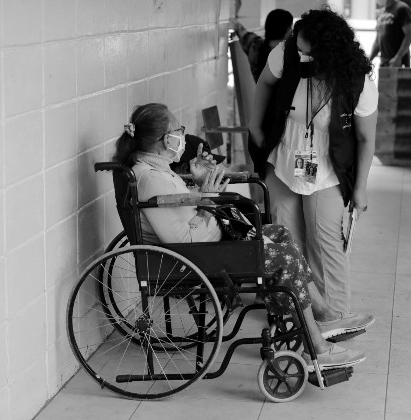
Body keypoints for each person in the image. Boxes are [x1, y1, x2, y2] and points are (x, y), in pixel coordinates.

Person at [113, 102, 367, 369]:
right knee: (285, 258)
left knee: (279, 234)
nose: (183, 135)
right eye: (179, 129)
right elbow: (185, 241)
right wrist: (208, 199)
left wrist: (200, 185)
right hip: (198, 257)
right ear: (166, 139)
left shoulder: (158, 170)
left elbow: (182, 212)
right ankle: (317, 347)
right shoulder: (152, 178)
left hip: (211, 245)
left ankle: (323, 316)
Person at [248, 8, 377, 336]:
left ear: (328, 52)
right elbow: (263, 84)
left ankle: (334, 318)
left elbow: (365, 137)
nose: (300, 53)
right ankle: (291, 319)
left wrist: (360, 189)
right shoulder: (286, 51)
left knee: (325, 240)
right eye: (298, 46)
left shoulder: (357, 80)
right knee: (286, 241)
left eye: (307, 50)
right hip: (283, 160)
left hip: (329, 167)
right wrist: (256, 128)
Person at [230, 9, 294, 82]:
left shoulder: (256, 47)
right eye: (291, 28)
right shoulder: (288, 55)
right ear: (286, 31)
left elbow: (242, 32)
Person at [369, 0, 411, 68]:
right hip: (384, 62)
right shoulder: (381, 12)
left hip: (399, 63)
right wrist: (369, 60)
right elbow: (378, 41)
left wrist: (398, 58)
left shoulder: (402, 8)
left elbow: (409, 35)